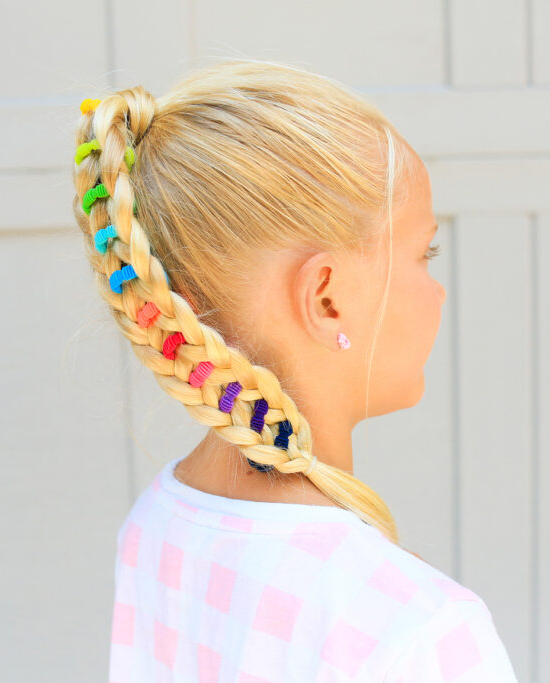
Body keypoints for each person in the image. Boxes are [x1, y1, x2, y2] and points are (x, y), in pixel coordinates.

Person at [71, 58, 519, 682]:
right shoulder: (418, 632)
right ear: (327, 297)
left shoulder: (154, 527)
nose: (438, 290)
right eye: (425, 254)